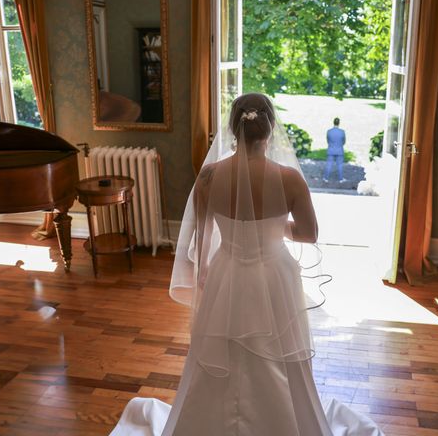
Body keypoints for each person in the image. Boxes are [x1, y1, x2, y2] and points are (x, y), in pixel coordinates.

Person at [110, 93, 383, 436]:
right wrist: (274, 227)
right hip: (275, 274)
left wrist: (206, 272)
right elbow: (309, 233)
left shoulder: (209, 177)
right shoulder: (290, 179)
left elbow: (202, 236)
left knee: (223, 349)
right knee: (279, 352)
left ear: (232, 130)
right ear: (270, 130)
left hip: (228, 271)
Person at [323, 117, 346, 183]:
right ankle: (341, 179)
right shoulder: (342, 132)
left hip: (331, 149)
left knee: (329, 165)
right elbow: (344, 141)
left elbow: (328, 140)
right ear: (339, 123)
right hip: (339, 150)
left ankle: (326, 178)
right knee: (340, 165)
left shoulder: (329, 131)